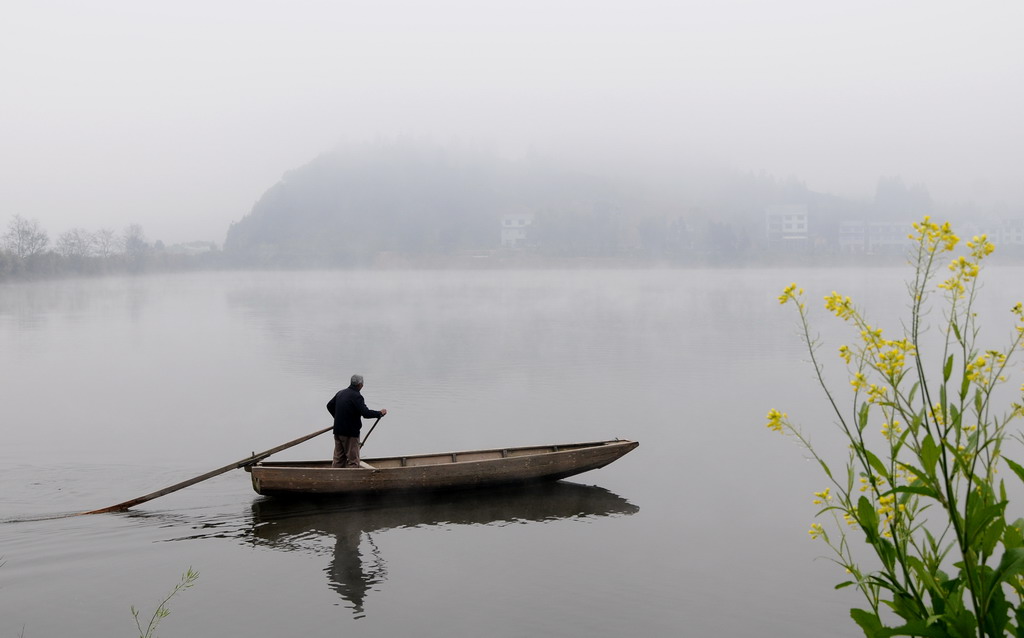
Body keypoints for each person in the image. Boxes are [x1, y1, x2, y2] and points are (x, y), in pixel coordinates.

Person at [327, 374, 387, 468]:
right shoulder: (357, 396)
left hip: (338, 431)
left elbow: (329, 406)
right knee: (353, 461)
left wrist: (338, 418)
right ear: (360, 385)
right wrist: (379, 413)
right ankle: (350, 481)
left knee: (338, 459)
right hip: (350, 434)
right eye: (362, 384)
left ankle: (335, 479)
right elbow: (366, 413)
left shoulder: (340, 393)